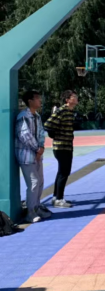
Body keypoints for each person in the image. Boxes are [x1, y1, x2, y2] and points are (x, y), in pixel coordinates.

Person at [15, 90, 49, 223]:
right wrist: (37, 149)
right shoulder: (23, 116)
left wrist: (41, 148)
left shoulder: (37, 116)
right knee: (34, 182)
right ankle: (30, 212)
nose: (40, 100)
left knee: (40, 182)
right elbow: (24, 135)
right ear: (30, 101)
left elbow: (41, 132)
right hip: (26, 156)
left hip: (37, 155)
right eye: (37, 98)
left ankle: (36, 207)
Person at [44, 90, 78, 208]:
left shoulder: (70, 112)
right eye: (73, 96)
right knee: (64, 172)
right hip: (61, 146)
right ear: (67, 100)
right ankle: (59, 199)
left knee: (62, 172)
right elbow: (48, 124)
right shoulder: (62, 111)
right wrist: (55, 135)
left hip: (67, 146)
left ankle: (55, 197)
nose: (76, 98)